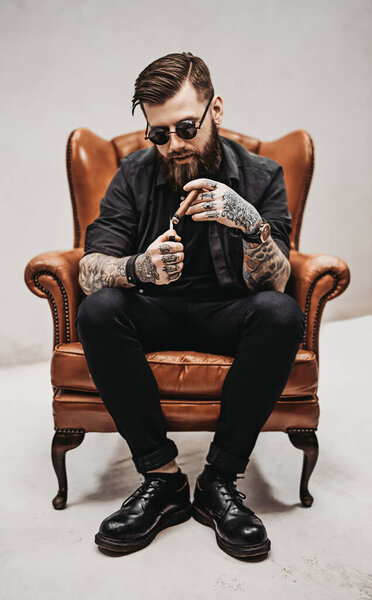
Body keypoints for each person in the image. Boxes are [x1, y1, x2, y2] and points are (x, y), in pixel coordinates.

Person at [75, 52, 305, 559]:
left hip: (230, 316)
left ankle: (218, 482)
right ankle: (163, 481)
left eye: (184, 127)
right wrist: (138, 269)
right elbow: (90, 269)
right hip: (154, 312)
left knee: (282, 313)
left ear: (215, 110)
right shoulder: (133, 175)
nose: (174, 145)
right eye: (159, 134)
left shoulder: (263, 174)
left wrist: (250, 223)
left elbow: (280, 281)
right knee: (98, 309)